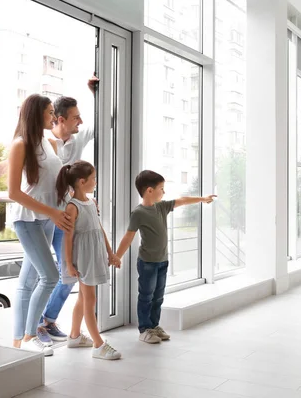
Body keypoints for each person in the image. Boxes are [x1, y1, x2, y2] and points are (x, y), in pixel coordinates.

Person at [116, 170, 216, 343]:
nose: (164, 192)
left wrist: (203, 198)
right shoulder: (138, 213)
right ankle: (144, 329)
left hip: (163, 261)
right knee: (146, 296)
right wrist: (117, 256)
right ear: (149, 190)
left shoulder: (161, 207)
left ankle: (154, 326)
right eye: (161, 188)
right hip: (147, 263)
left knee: (158, 297)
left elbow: (183, 201)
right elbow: (129, 236)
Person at [8, 94, 73, 356]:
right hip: (27, 219)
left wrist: (75, 203)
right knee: (50, 276)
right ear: (36, 114)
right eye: (49, 112)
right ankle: (31, 334)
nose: (53, 116)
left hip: (48, 218)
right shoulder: (20, 145)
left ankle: (17, 341)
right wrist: (52, 213)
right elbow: (14, 192)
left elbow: (55, 185)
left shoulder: (49, 144)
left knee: (29, 279)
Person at [39, 75, 99, 344]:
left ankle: (47, 321)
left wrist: (95, 92)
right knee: (43, 275)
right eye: (75, 117)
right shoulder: (42, 144)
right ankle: (35, 328)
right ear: (60, 119)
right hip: (43, 216)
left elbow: (99, 124)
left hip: (67, 217)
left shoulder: (78, 139)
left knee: (69, 273)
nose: (80, 122)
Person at [55, 160, 122, 360]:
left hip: (95, 254)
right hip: (83, 258)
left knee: (83, 298)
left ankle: (74, 336)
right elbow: (67, 237)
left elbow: (99, 230)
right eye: (93, 178)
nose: (96, 181)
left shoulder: (91, 202)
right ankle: (98, 344)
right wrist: (68, 264)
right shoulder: (72, 207)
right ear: (82, 181)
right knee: (90, 300)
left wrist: (110, 253)